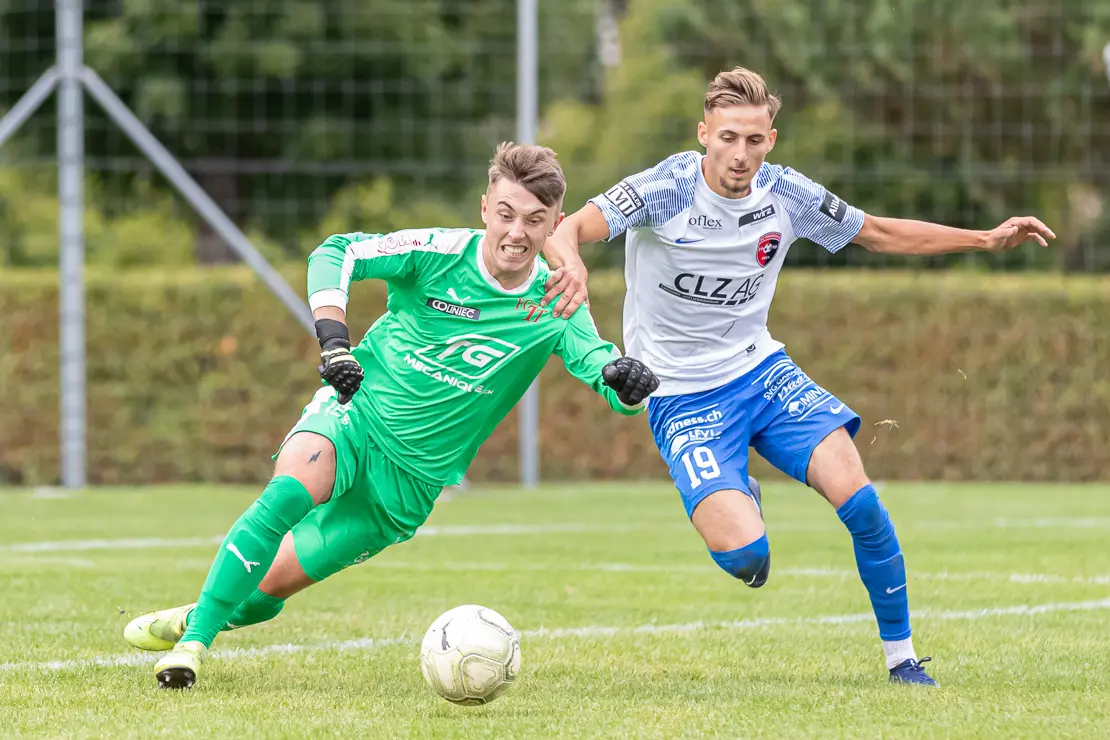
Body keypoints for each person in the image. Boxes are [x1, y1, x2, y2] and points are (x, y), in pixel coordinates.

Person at [540, 66, 1055, 686]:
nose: (740, 154)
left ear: (771, 141)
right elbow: (569, 227)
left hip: (761, 374)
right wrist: (570, 263)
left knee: (860, 499)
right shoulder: (666, 187)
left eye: (754, 140)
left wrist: (985, 240)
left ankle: (903, 661)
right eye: (728, 137)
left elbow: (878, 234)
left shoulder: (786, 195)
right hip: (680, 396)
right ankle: (743, 497)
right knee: (747, 559)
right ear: (703, 133)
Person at [125, 142, 660, 689]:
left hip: (410, 485)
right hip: (354, 416)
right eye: (505, 214)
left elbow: (604, 372)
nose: (516, 233)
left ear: (555, 225)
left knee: (260, 597)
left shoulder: (557, 300)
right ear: (484, 209)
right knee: (288, 493)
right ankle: (192, 649)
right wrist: (334, 341)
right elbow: (337, 253)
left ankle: (194, 618)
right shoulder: (437, 252)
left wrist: (628, 383)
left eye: (534, 220)